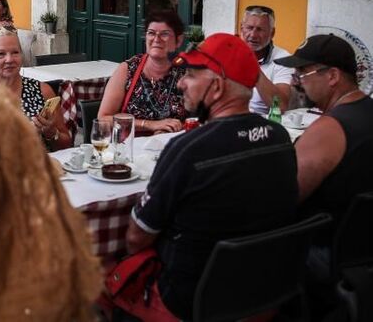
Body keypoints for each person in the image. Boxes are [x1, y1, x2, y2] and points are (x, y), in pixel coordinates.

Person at [110, 33, 298, 321]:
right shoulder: (281, 138)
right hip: (263, 296)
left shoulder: (188, 150)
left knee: (94, 277)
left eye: (192, 75)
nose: (181, 82)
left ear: (217, 87)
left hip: (188, 302)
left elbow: (136, 239)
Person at [275, 34, 373, 226]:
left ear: (333, 76)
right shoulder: (366, 110)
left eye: (302, 73)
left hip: (323, 246)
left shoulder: (330, 128)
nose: (295, 82)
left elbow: (282, 199)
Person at [98, 10, 187, 135]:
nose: (156, 39)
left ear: (179, 40)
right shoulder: (128, 69)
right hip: (129, 149)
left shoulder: (187, 72)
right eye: (151, 33)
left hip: (173, 147)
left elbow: (201, 118)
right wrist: (149, 125)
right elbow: (103, 119)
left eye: (165, 34)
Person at [0, 26, 72, 151]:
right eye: (1, 54)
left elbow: (66, 144)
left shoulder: (42, 91)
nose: (9, 59)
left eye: (15, 52)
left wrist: (51, 133)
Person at [239, 5, 293, 114]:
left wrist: (253, 66)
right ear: (241, 28)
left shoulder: (283, 59)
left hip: (260, 124)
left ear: (272, 33)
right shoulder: (228, 52)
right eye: (249, 28)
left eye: (260, 30)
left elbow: (280, 106)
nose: (253, 35)